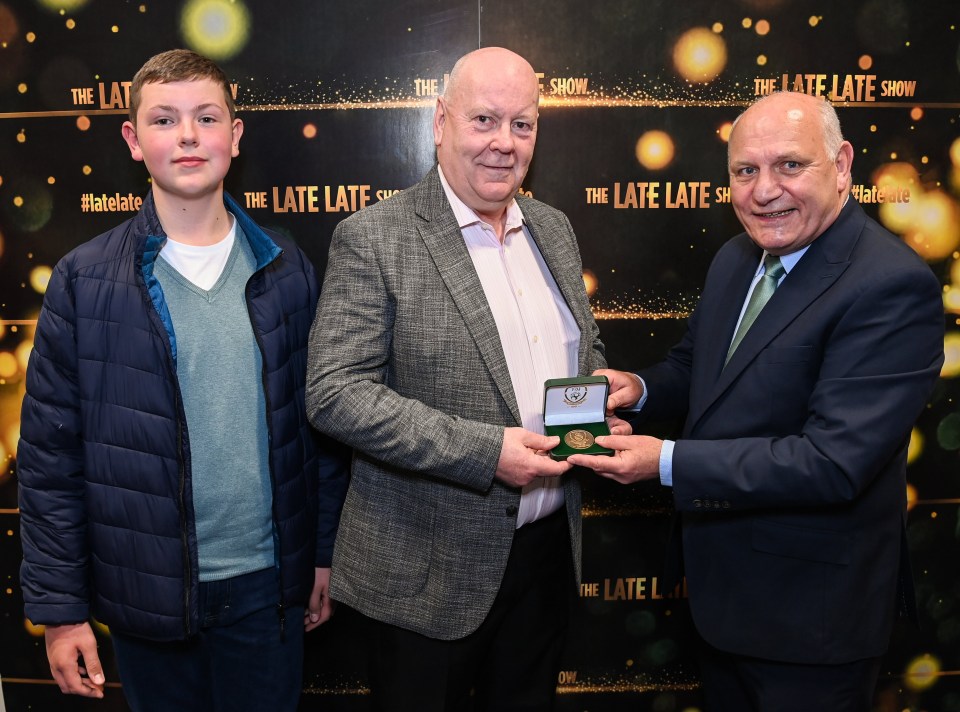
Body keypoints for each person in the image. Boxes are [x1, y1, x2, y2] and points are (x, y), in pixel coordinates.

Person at [568, 91, 945, 711]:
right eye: (746, 171)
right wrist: (639, 389)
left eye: (790, 165)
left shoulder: (890, 286)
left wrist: (663, 462)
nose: (764, 190)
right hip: (725, 604)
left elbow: (831, 463)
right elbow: (703, 369)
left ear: (843, 164)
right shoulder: (738, 256)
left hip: (812, 622)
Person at [17, 49, 349, 711]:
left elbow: (321, 432)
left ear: (236, 134)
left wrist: (322, 553)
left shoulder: (288, 272)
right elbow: (50, 462)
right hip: (147, 599)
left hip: (267, 594)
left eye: (207, 117)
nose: (190, 135)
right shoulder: (84, 281)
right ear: (134, 142)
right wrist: (62, 612)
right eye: (165, 120)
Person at [306, 47, 620, 711]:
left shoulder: (555, 231)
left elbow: (580, 348)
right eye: (484, 119)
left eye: (523, 124)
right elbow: (336, 392)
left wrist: (594, 406)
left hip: (543, 557)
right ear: (441, 121)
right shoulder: (375, 237)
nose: (504, 143)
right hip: (426, 573)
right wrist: (487, 453)